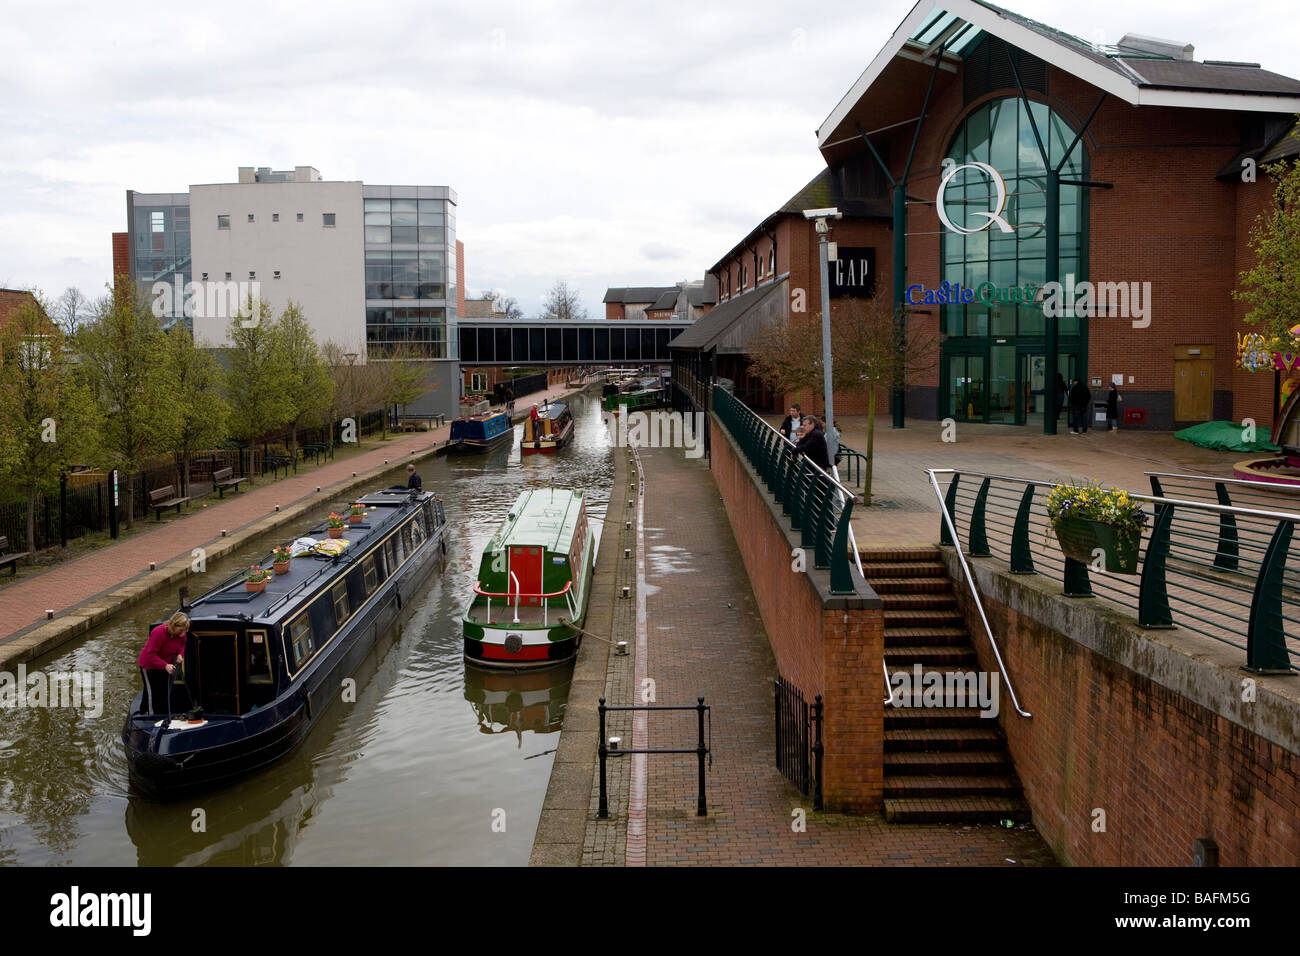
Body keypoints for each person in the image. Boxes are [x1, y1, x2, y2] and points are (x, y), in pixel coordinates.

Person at [138, 611, 190, 715]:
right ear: (174, 626)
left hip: (166, 665)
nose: (183, 634)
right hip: (150, 666)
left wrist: (180, 654)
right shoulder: (159, 633)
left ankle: (156, 712)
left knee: (163, 691)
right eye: (181, 631)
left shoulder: (181, 634)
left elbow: (182, 645)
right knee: (153, 692)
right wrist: (165, 665)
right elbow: (151, 654)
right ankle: (152, 716)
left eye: (184, 631)